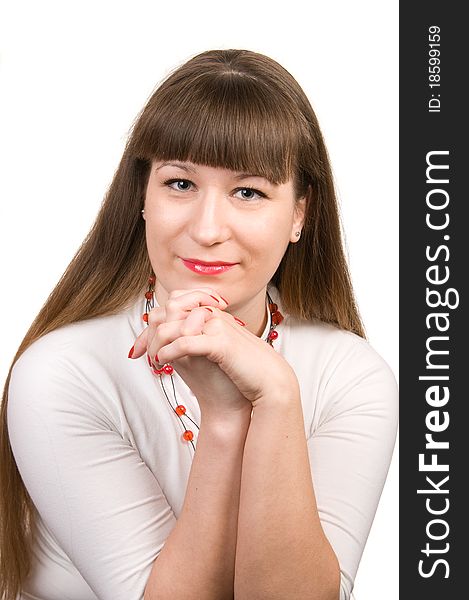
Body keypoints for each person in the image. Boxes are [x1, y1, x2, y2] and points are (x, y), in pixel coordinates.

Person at [0, 48, 398, 600]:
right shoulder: (61, 372)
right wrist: (227, 417)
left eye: (249, 192)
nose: (208, 229)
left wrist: (278, 395)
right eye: (180, 184)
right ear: (142, 196)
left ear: (300, 214)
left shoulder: (351, 375)